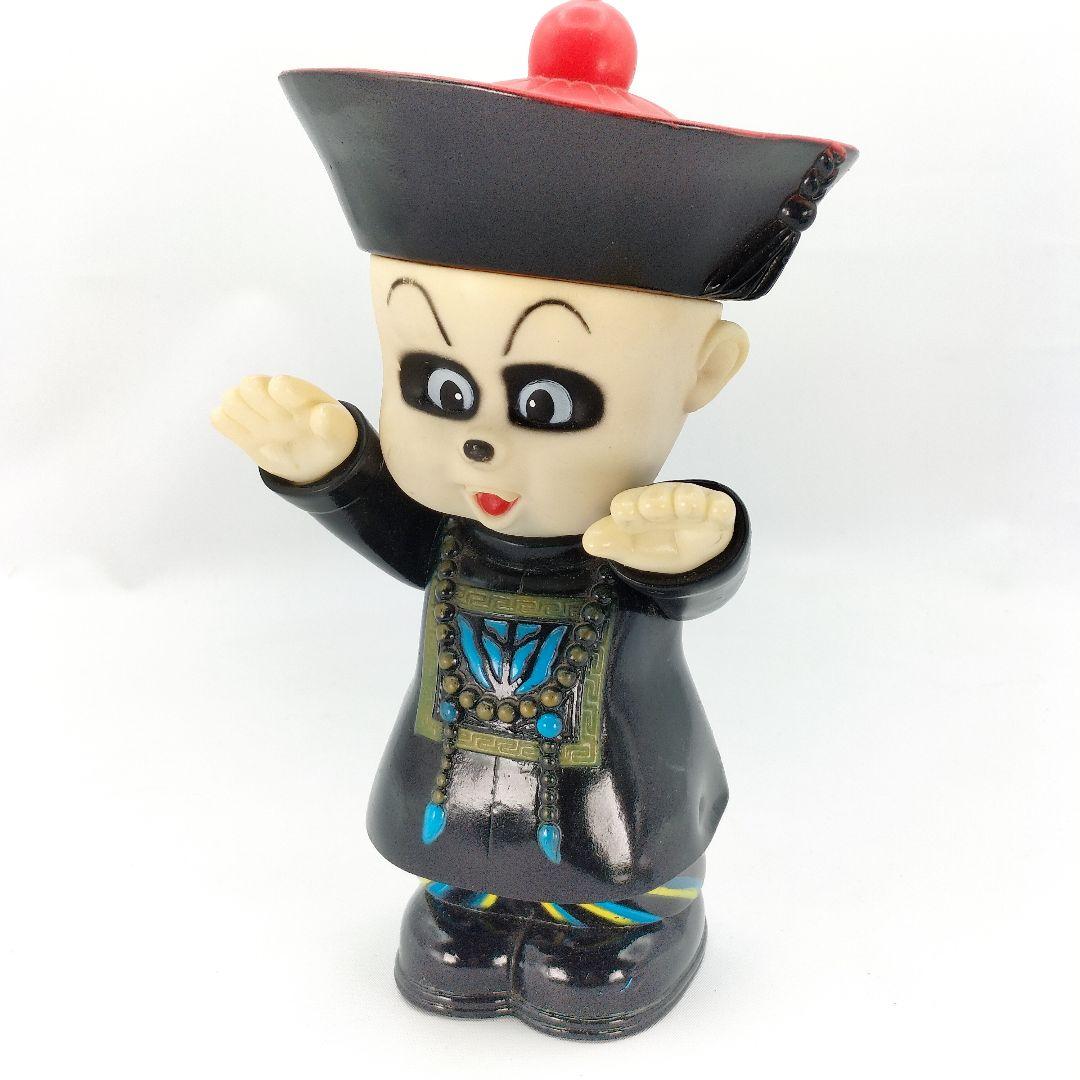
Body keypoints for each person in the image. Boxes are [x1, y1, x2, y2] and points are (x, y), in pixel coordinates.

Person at [212, 0, 856, 1039]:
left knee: (614, 847)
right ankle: (476, 899)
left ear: (702, 371)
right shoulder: (454, 534)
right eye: (438, 386)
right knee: (462, 863)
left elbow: (689, 579)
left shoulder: (632, 541)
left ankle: (638, 916)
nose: (482, 443)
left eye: (549, 399)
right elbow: (400, 537)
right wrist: (331, 468)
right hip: (462, 768)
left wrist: (699, 545)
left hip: (615, 776)